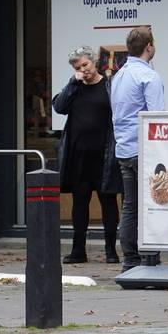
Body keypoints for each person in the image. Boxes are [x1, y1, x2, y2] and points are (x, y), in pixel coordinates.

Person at [53, 46, 122, 265]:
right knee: (80, 203)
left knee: (108, 203)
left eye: (85, 65)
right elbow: (59, 107)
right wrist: (74, 82)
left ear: (94, 62)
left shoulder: (109, 86)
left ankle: (111, 250)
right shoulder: (74, 88)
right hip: (79, 156)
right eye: (78, 67)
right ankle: (78, 250)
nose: (83, 70)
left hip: (104, 156)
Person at [110, 25, 164, 272]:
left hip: (123, 148)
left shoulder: (118, 75)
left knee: (130, 205)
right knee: (152, 204)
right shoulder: (149, 77)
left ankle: (130, 259)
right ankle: (149, 257)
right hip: (145, 150)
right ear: (149, 46)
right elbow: (156, 118)